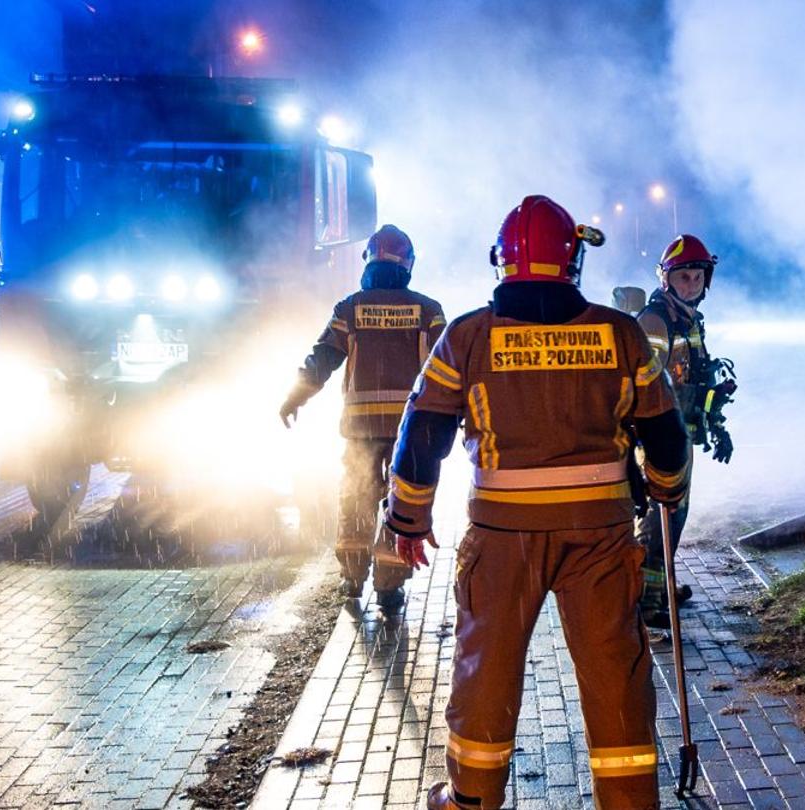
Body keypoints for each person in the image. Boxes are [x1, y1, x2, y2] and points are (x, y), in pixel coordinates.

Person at [386, 195, 690, 810]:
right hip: (601, 539)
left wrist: (407, 519)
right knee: (616, 674)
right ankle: (630, 801)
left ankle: (470, 798)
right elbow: (667, 436)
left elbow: (422, 439)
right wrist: (666, 488)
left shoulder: (467, 337)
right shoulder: (619, 333)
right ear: (573, 259)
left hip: (502, 538)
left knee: (487, 669)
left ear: (502, 262)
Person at [279, 224, 445, 614]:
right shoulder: (428, 310)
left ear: (367, 261)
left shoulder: (349, 308)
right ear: (408, 264)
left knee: (356, 501)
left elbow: (323, 359)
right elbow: (446, 368)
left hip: (361, 432)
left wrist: (295, 396)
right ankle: (389, 587)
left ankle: (351, 577)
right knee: (400, 504)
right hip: (410, 432)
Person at [635, 233, 736, 629]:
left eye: (697, 277)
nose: (691, 285)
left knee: (674, 514)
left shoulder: (689, 320)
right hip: (660, 436)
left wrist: (716, 422)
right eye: (683, 279)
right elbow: (647, 386)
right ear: (667, 281)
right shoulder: (655, 321)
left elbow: (696, 378)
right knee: (662, 516)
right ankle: (645, 603)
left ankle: (661, 587)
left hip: (681, 431)